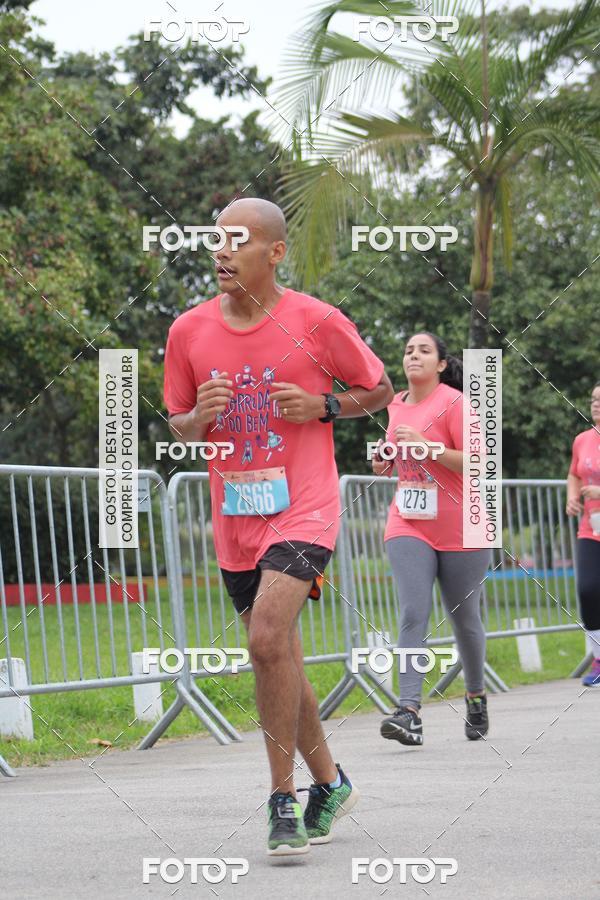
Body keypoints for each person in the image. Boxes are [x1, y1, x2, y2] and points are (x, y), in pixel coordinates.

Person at [163, 197, 393, 856]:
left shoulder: (317, 320)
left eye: (237, 240)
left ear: (275, 252)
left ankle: (280, 799)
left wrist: (325, 405)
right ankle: (332, 783)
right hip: (236, 514)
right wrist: (197, 418)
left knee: (266, 637)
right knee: (279, 655)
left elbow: (378, 390)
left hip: (305, 506)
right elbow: (178, 424)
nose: (221, 251)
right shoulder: (188, 331)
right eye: (217, 240)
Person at [372, 332, 492, 745]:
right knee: (413, 611)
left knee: (465, 618)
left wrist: (428, 447)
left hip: (462, 526)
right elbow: (397, 457)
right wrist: (383, 460)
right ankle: (409, 712)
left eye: (423, 350)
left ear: (441, 364)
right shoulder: (394, 405)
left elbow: (477, 462)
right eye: (408, 350)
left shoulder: (455, 403)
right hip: (408, 522)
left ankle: (475, 695)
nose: (413, 355)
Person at [566, 381, 600, 686]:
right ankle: (598, 659)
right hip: (592, 528)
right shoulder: (582, 440)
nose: (596, 405)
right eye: (593, 400)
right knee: (588, 590)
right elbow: (574, 474)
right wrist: (572, 497)